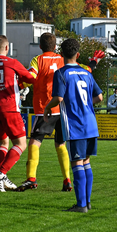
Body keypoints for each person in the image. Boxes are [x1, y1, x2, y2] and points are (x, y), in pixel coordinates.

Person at [44, 38, 103, 213]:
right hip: (91, 123)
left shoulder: (61, 73)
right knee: (86, 162)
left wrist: (48, 107)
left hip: (75, 124)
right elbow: (99, 97)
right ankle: (88, 202)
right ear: (78, 55)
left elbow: (59, 98)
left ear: (61, 55)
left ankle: (81, 205)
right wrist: (86, 104)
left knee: (77, 163)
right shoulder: (87, 73)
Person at [0, 35, 36, 192]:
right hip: (9, 108)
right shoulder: (12, 62)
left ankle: (2, 179)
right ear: (7, 48)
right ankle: (1, 174)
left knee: (3, 143)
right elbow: (30, 79)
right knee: (20, 144)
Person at [18, 33, 73, 192]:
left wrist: (18, 84)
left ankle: (31, 178)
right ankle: (67, 180)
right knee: (61, 144)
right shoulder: (62, 60)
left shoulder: (38, 60)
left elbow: (31, 76)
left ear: (40, 46)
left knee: (34, 142)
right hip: (62, 109)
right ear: (55, 47)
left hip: (44, 109)